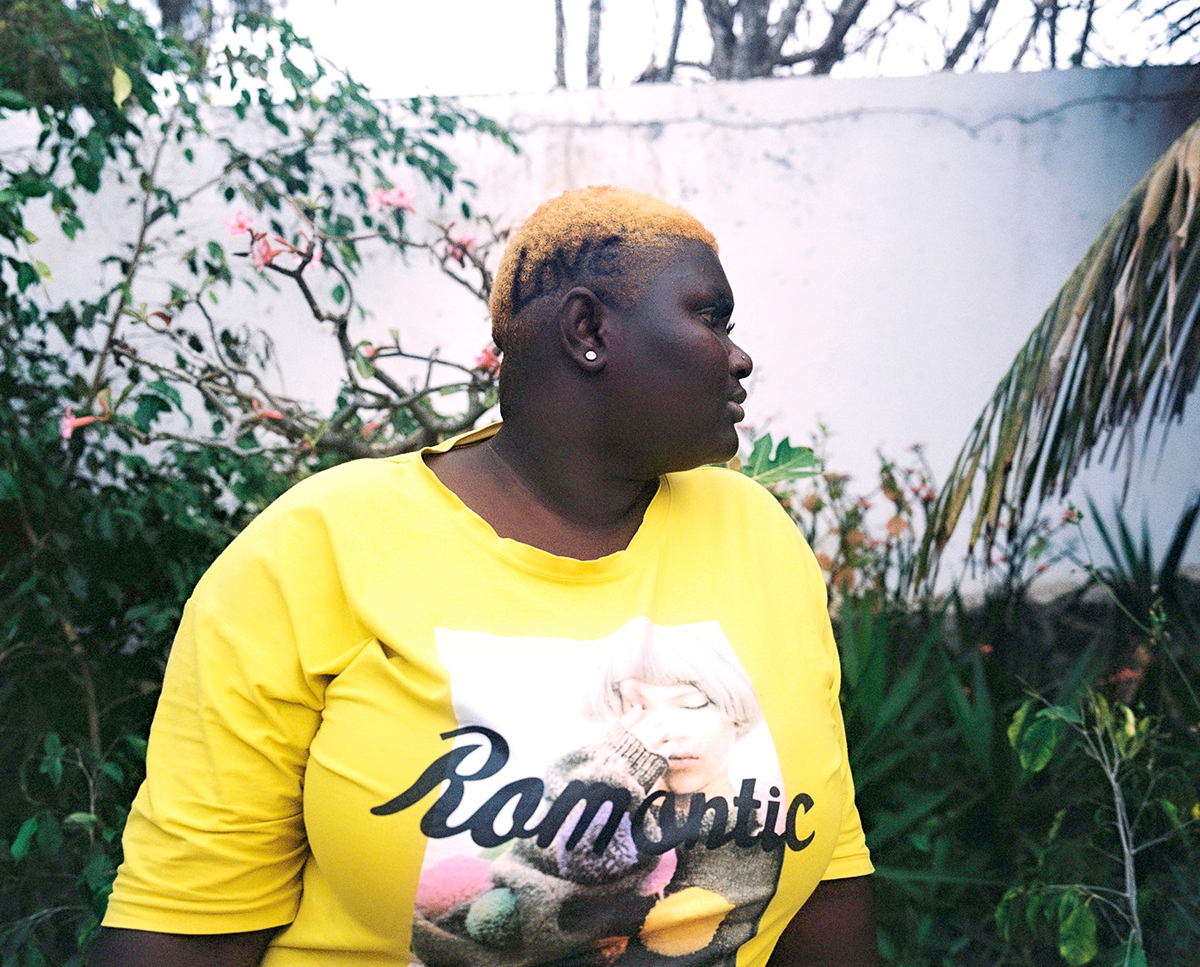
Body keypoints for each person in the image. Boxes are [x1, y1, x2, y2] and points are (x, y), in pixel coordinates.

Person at [90, 186, 878, 967]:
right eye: (711, 317)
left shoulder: (758, 538)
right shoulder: (317, 551)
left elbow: (827, 876)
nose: (739, 356)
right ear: (588, 330)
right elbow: (188, 928)